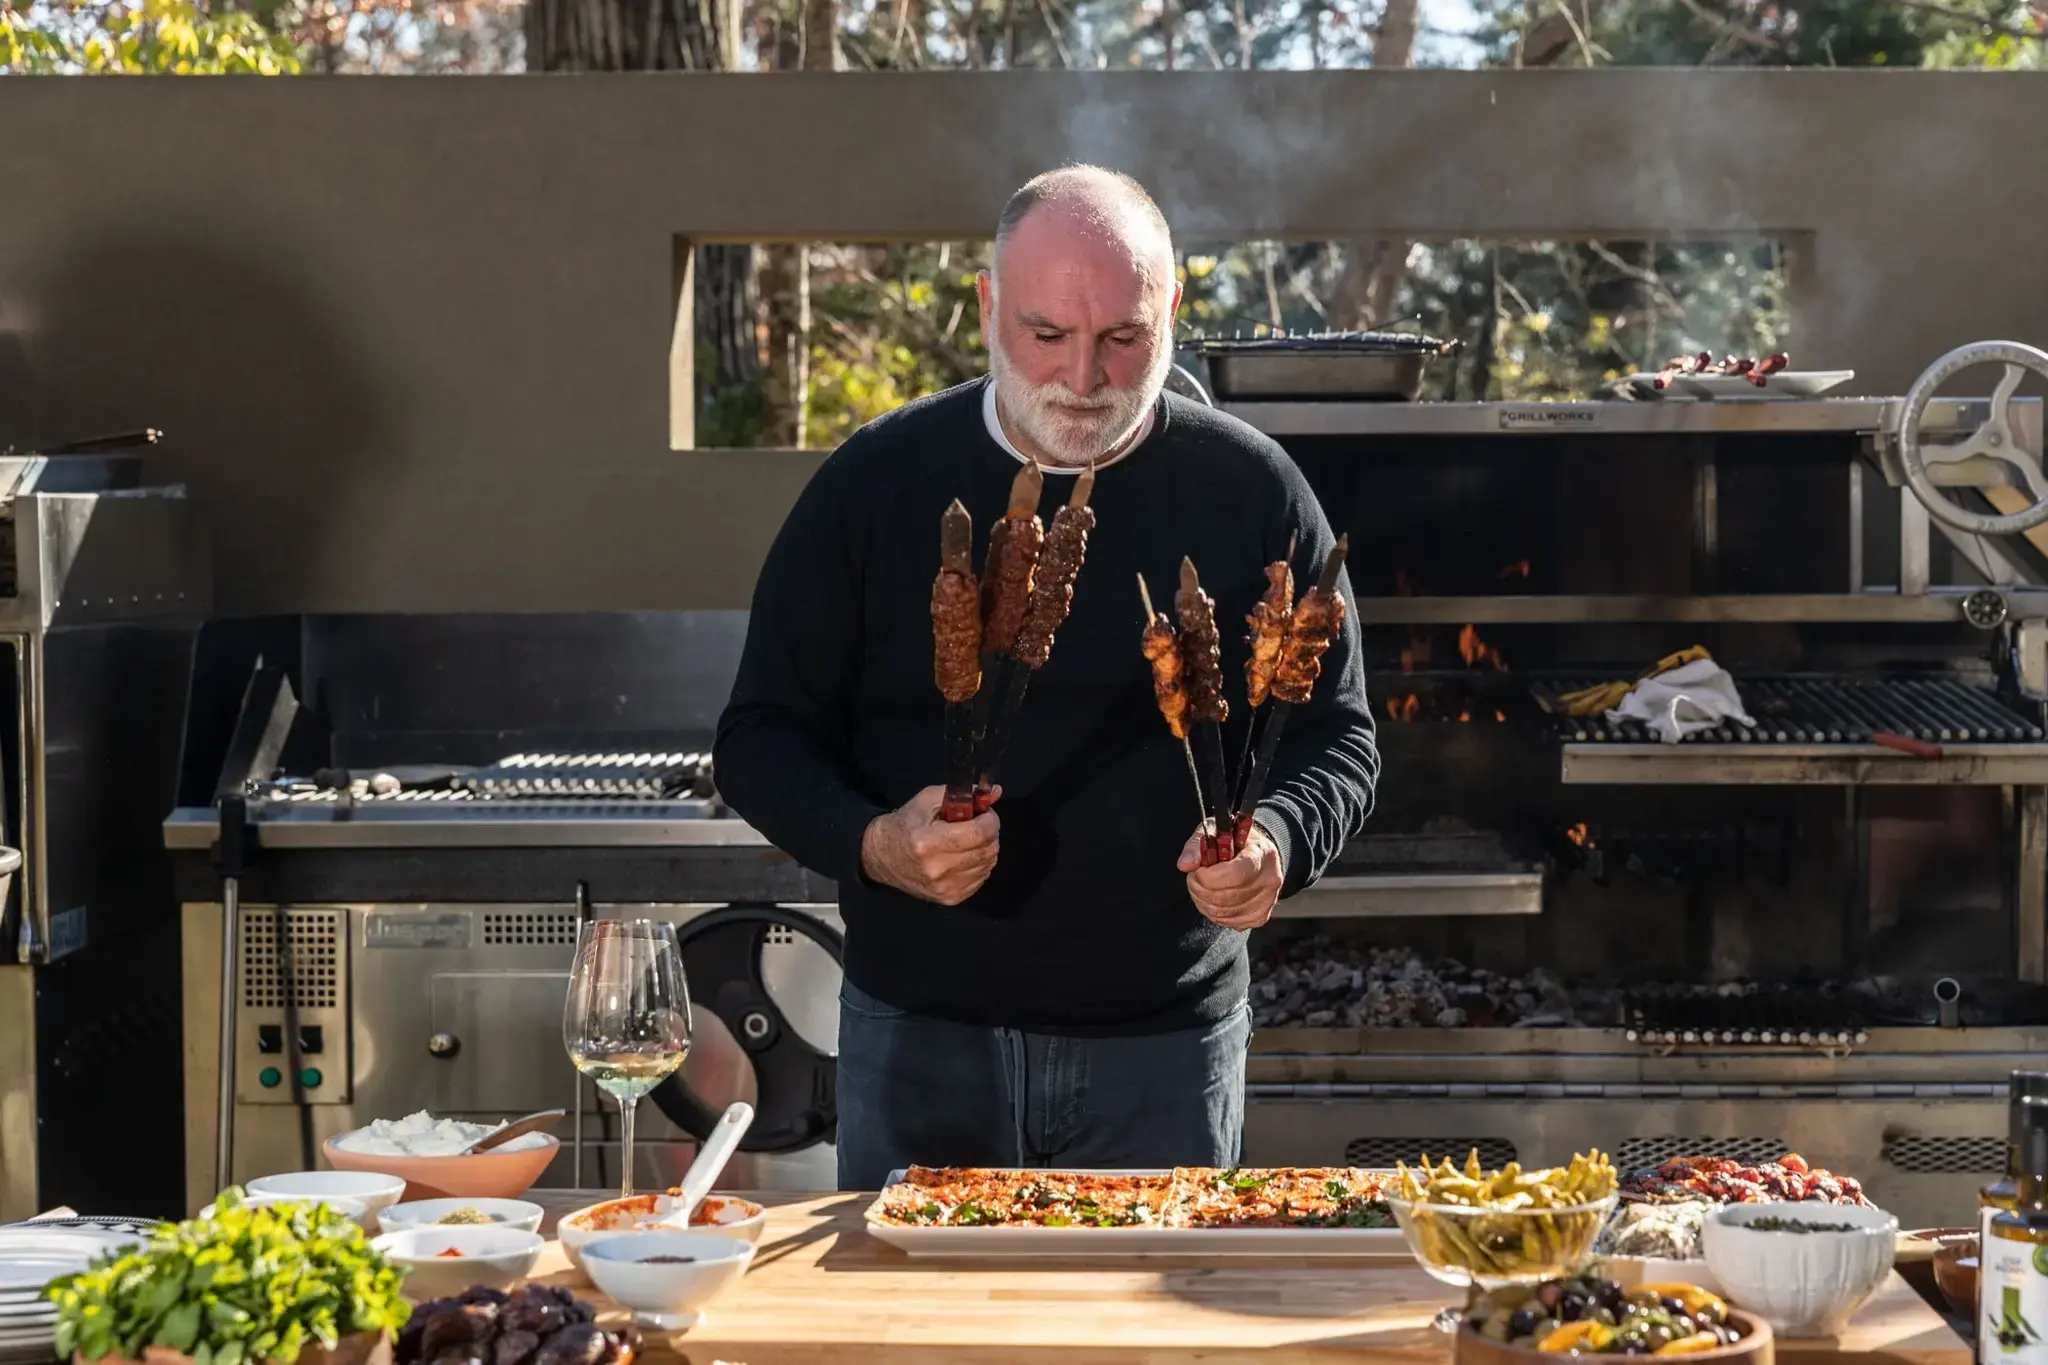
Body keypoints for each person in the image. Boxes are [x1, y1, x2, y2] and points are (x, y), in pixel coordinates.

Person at [713, 165, 1378, 1190]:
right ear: (985, 308)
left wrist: (1278, 842)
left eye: (1123, 338)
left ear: (1173, 310)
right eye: (1044, 334)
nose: (1082, 379)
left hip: (1166, 1045)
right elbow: (759, 738)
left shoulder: (1249, 489)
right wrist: (876, 844)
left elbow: (1338, 736)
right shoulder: (873, 484)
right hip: (918, 1032)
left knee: (1151, 1349)